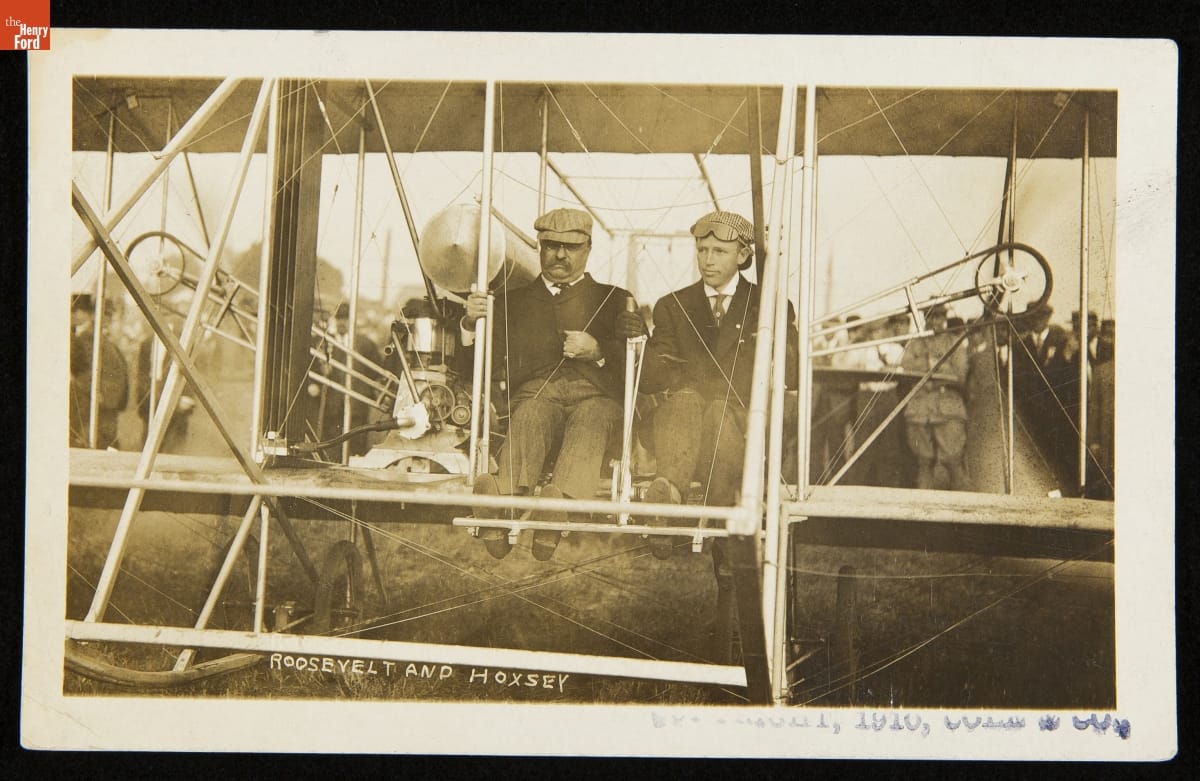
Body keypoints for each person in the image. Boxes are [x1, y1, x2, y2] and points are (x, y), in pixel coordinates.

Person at [462, 208, 645, 561]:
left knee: (593, 417)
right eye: (551, 246)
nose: (560, 255)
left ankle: (555, 510)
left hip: (597, 398)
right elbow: (474, 367)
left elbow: (643, 372)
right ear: (539, 247)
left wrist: (600, 351)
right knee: (530, 414)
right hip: (537, 396)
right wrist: (471, 324)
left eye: (571, 247)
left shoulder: (615, 300)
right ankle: (502, 509)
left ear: (588, 248)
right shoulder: (512, 303)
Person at [637, 210, 798, 562]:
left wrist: (780, 343)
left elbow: (792, 375)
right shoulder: (672, 306)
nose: (707, 260)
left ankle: (718, 533)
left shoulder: (769, 306)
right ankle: (668, 505)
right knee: (688, 402)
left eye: (719, 251)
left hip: (739, 425)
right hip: (682, 425)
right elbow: (651, 380)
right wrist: (639, 344)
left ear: (743, 255)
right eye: (702, 250)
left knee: (720, 414)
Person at [900, 304, 969, 490]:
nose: (935, 321)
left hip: (948, 408)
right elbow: (906, 367)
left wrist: (927, 367)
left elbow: (960, 374)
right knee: (923, 462)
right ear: (925, 318)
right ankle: (924, 506)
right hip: (920, 409)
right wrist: (936, 366)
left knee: (953, 461)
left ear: (945, 318)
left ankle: (962, 504)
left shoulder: (954, 342)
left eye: (939, 316)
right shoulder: (915, 343)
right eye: (931, 316)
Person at [317, 302, 386, 457]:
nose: (342, 323)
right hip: (333, 406)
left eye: (345, 319)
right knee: (332, 445)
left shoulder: (365, 344)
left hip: (356, 406)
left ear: (352, 320)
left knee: (356, 444)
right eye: (339, 319)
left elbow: (376, 372)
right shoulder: (326, 343)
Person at [70, 294, 129, 450]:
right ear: (92, 315)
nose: (108, 318)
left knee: (107, 445)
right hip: (95, 407)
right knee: (95, 446)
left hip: (109, 407)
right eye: (105, 314)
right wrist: (97, 392)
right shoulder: (86, 339)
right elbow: (82, 372)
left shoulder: (105, 340)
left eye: (110, 314)